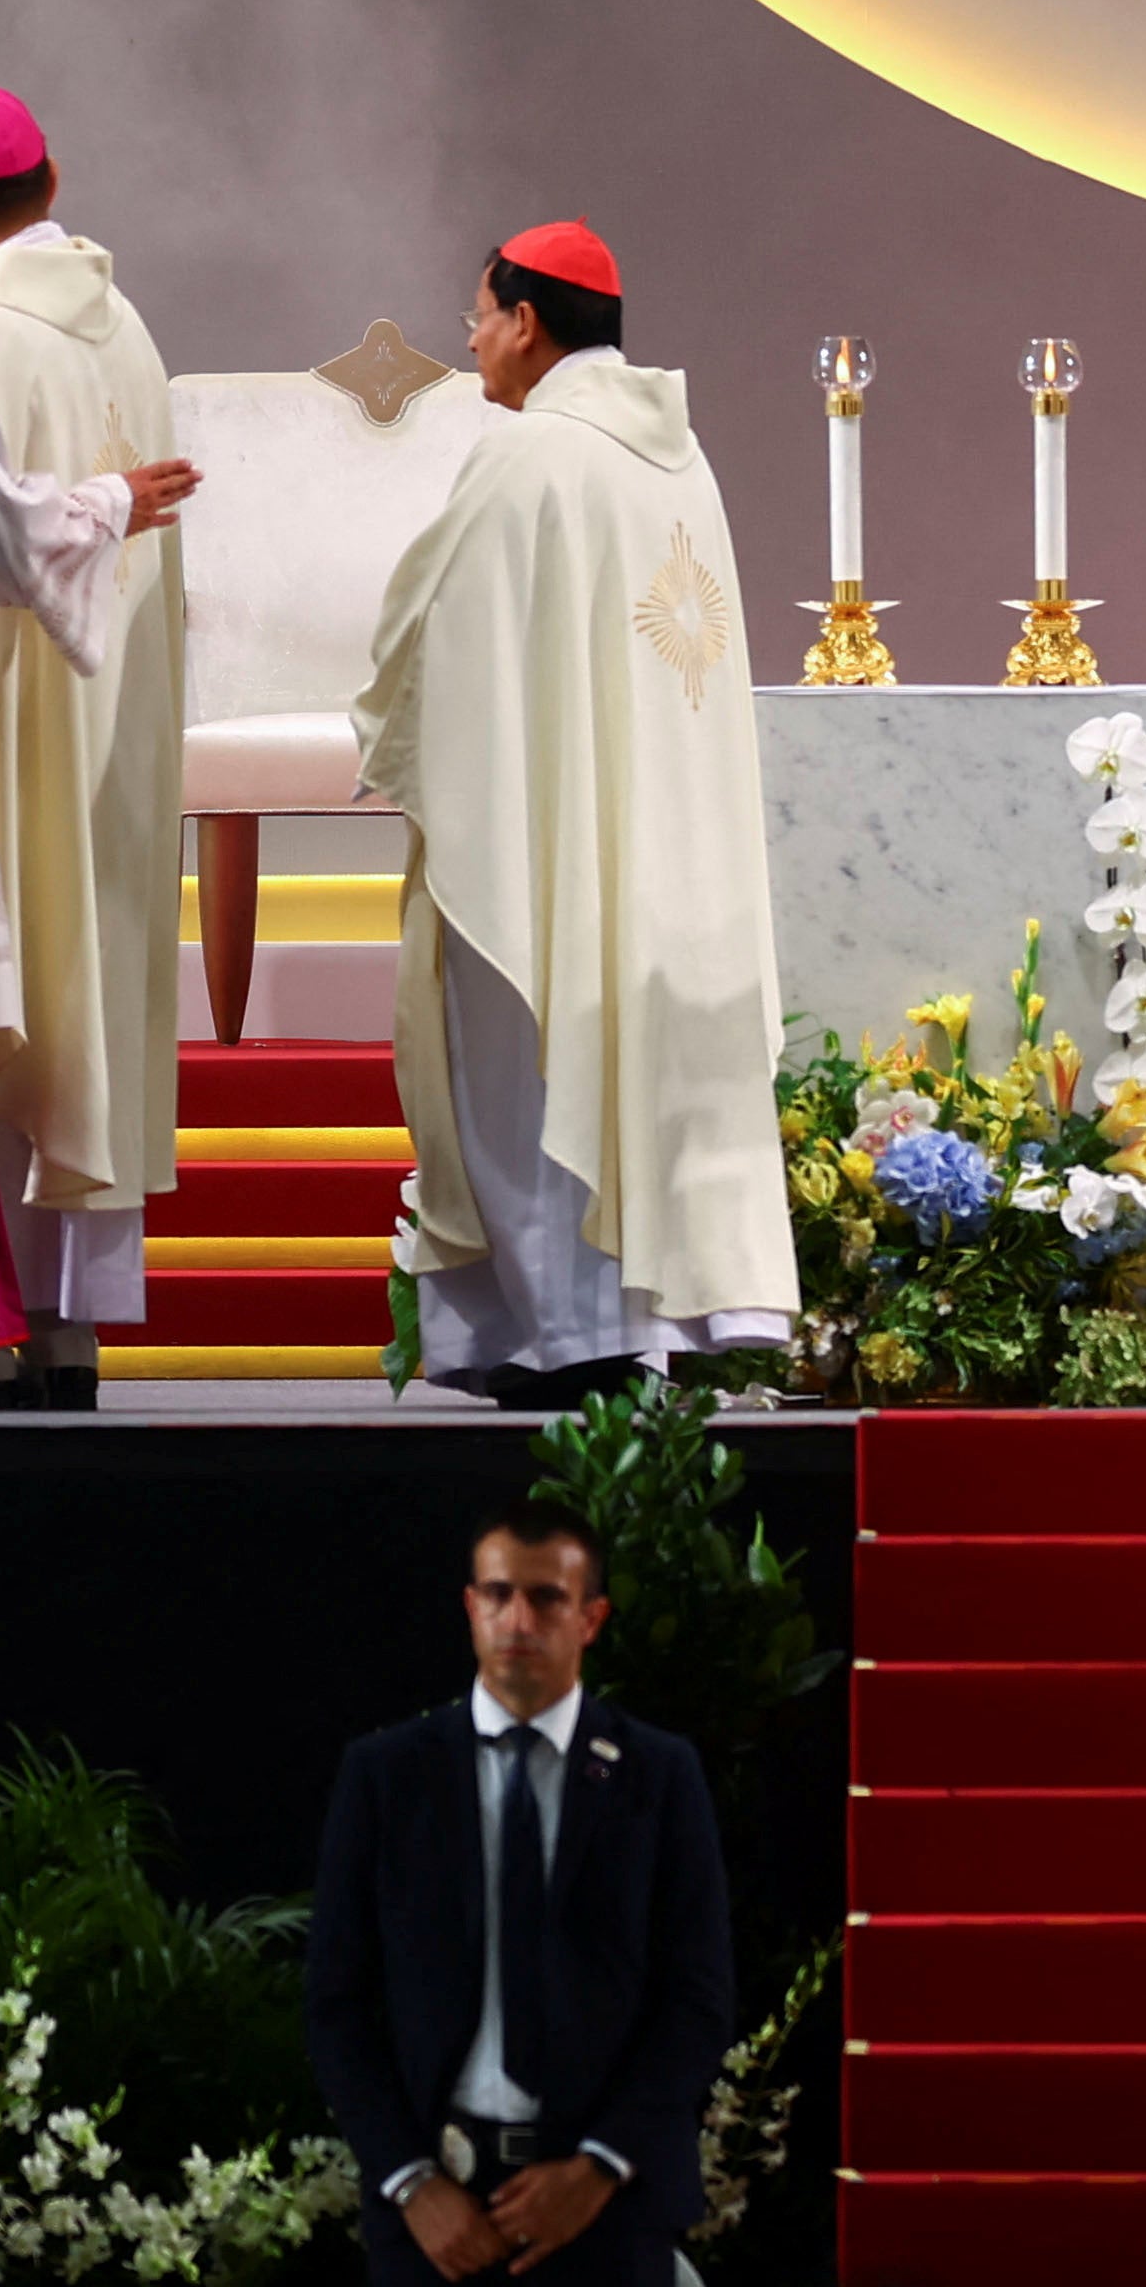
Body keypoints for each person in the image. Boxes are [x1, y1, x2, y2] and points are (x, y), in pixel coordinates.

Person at [352, 222, 795, 1410]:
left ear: (527, 321)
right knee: (635, 1069)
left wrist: (391, 725)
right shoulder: (678, 457)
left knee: (525, 1054)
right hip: (667, 838)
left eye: (479, 316)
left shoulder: (534, 454)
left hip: (551, 837)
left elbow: (429, 630)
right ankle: (658, 1322)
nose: (473, 339)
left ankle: (563, 1334)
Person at [0, 100, 197, 1412]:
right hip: (86, 712)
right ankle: (56, 1323)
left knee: (8, 1022)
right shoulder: (124, 328)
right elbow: (7, 539)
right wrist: (113, 503)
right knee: (85, 998)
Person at [308, 1503, 735, 2284]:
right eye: (499, 1595)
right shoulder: (386, 1776)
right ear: (471, 1607)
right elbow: (337, 2004)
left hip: (608, 2207)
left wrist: (599, 2167)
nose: (519, 1619)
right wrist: (411, 2182)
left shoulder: (657, 1777)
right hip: (433, 2213)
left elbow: (697, 2000)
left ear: (592, 1617)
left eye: (546, 1599)